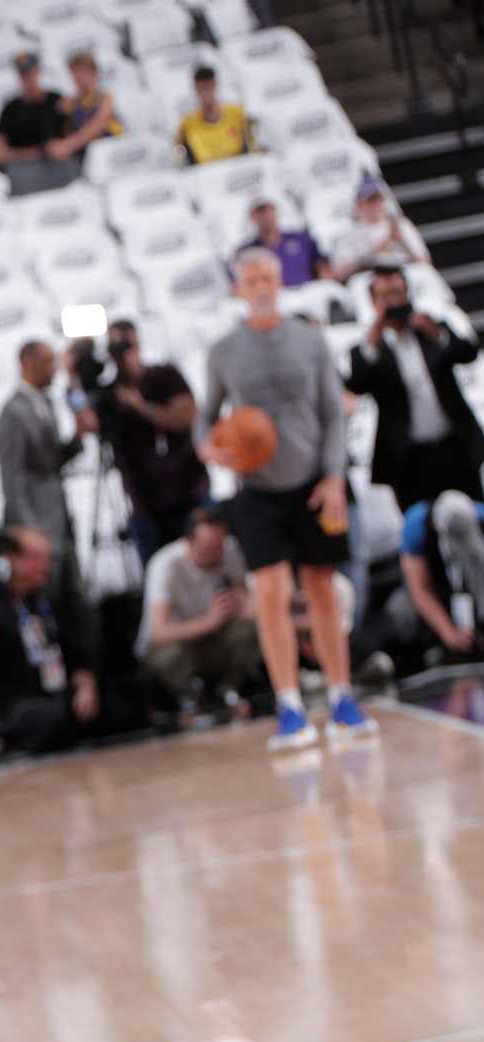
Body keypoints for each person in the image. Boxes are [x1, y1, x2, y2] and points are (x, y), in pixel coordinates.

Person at [199, 246, 376, 748]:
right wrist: (209, 447)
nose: (259, 286)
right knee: (271, 593)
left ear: (280, 282)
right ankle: (290, 705)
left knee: (322, 587)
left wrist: (334, 477)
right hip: (255, 490)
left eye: (267, 277)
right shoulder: (223, 352)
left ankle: (342, 696)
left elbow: (332, 414)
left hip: (312, 483)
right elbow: (204, 418)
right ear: (238, 287)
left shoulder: (310, 342)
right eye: (250, 278)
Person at [346, 266, 484, 511]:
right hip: (408, 458)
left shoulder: (431, 330)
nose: (393, 301)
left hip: (454, 447)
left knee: (475, 516)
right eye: (385, 296)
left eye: (397, 293)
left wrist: (434, 331)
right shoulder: (370, 347)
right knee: (419, 529)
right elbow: (356, 383)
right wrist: (376, 330)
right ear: (374, 302)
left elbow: (468, 352)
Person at [0, 340, 99, 647]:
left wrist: (78, 437)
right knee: (46, 603)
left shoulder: (48, 403)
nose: (54, 370)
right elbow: (12, 479)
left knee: (73, 601)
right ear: (28, 364)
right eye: (48, 363)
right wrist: (27, 533)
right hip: (38, 527)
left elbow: (51, 462)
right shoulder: (12, 412)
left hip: (61, 517)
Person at [0, 526, 103, 753]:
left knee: (114, 707)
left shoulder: (47, 600)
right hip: (18, 703)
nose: (44, 566)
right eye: (36, 558)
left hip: (58, 692)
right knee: (47, 718)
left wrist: (86, 685)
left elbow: (75, 652)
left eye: (47, 559)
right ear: (10, 560)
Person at [93, 321, 208, 564]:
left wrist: (141, 406)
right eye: (115, 347)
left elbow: (186, 417)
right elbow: (91, 427)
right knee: (159, 575)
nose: (123, 353)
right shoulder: (108, 394)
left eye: (127, 345)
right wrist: (77, 380)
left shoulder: (165, 375)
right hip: (144, 502)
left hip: (189, 491)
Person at [139, 508, 261, 709]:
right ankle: (189, 699)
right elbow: (159, 632)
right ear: (188, 541)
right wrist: (208, 622)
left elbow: (252, 608)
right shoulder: (165, 564)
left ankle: (229, 690)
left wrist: (241, 603)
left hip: (213, 640)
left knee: (251, 629)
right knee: (168, 656)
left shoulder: (228, 550)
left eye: (219, 546)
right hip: (175, 643)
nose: (217, 554)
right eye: (209, 548)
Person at [397, 491, 484, 659]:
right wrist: (448, 632)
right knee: (402, 610)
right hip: (437, 587)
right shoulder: (417, 524)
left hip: (475, 579)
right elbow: (419, 588)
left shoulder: (480, 517)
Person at [0, 51, 77, 196]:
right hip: (26, 173)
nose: (28, 78)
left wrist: (64, 146)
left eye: (31, 72)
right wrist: (39, 152)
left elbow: (76, 134)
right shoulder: (10, 109)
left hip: (59, 167)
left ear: (38, 72)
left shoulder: (57, 100)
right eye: (23, 74)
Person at [330, 177, 429, 280]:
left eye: (378, 200)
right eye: (370, 201)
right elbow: (339, 273)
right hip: (367, 277)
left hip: (405, 273)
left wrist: (402, 242)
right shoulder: (349, 232)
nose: (376, 205)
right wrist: (375, 249)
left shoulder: (400, 224)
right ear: (358, 205)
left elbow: (425, 262)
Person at [239, 197, 333, 288]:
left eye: (267, 210)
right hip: (276, 298)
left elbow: (322, 265)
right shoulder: (248, 251)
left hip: (307, 292)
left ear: (275, 210)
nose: (265, 216)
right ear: (252, 217)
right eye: (259, 212)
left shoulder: (300, 238)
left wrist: (324, 283)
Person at [177, 66, 255, 165]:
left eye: (208, 86)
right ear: (196, 89)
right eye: (201, 87)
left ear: (215, 85)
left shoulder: (238, 113)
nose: (206, 92)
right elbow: (181, 160)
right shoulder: (186, 124)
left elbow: (254, 149)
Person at [53, 50, 122, 161]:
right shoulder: (71, 103)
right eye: (74, 73)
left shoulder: (105, 97)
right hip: (88, 158)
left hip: (113, 153)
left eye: (81, 72)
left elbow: (96, 126)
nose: (77, 77)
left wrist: (68, 145)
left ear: (93, 73)